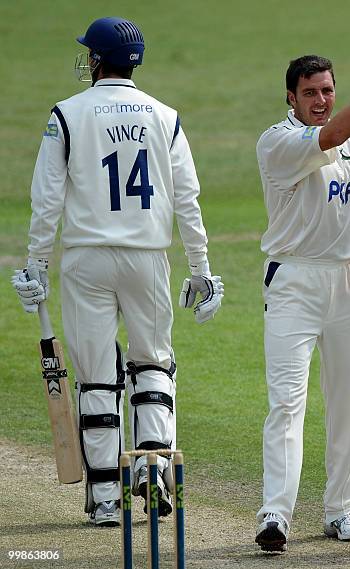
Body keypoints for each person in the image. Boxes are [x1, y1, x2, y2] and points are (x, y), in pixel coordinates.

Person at [11, 16, 224, 526]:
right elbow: (188, 198)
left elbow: (46, 199)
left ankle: (106, 496)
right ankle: (153, 471)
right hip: (148, 258)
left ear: (95, 60)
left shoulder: (67, 113)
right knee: (152, 364)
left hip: (86, 258)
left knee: (97, 378)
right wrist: (201, 268)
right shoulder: (164, 116)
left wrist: (37, 263)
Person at [254, 32, 350, 552]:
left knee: (348, 402)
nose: (321, 101)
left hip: (349, 278)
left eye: (327, 90)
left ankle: (343, 510)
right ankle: (275, 515)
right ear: (291, 98)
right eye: (311, 93)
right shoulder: (277, 141)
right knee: (287, 403)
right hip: (294, 282)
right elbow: (328, 137)